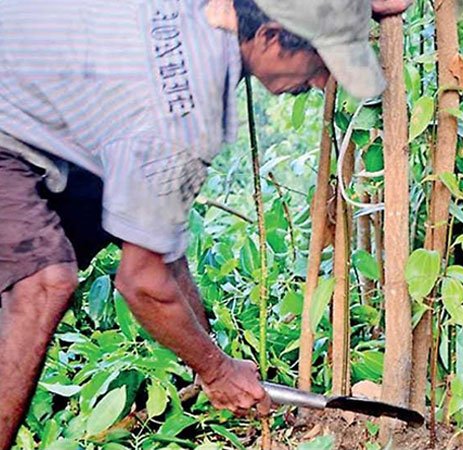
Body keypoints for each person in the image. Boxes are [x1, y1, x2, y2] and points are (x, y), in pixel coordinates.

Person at [0, 0, 412, 447]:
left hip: (26, 88)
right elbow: (143, 282)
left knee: (119, 206)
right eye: (319, 61)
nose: (321, 81)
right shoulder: (184, 115)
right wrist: (216, 370)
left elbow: (157, 247)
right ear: (270, 38)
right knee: (43, 282)